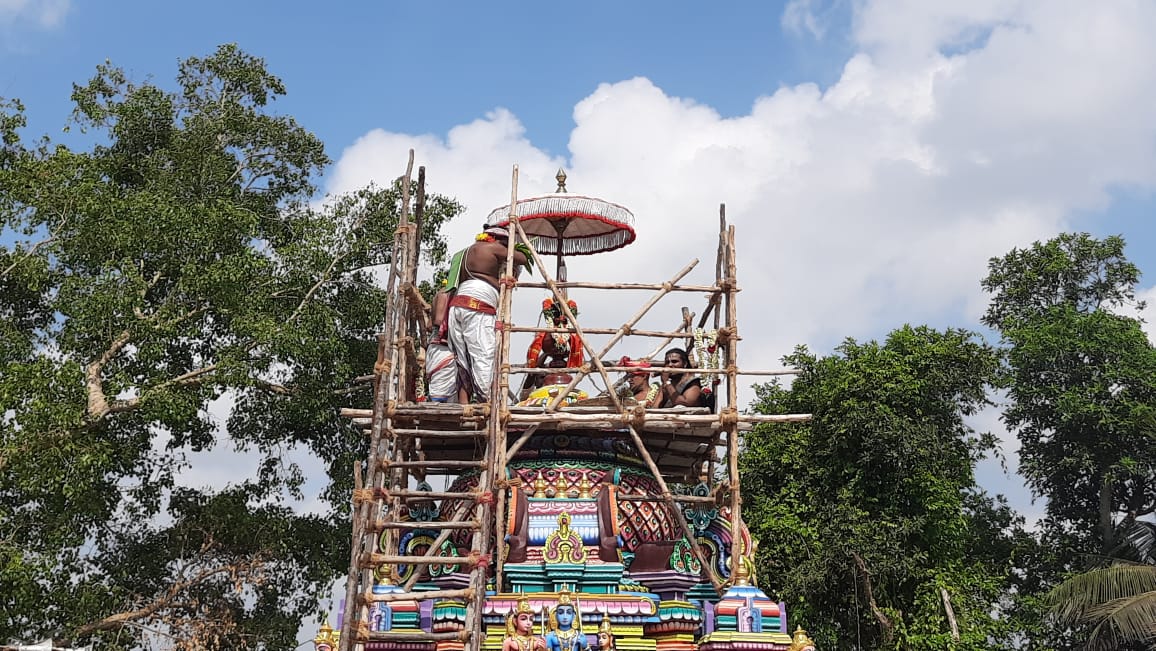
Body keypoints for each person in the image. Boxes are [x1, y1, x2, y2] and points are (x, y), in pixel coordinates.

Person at [447, 225, 528, 402]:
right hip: (477, 307)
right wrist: (511, 247)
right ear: (497, 239)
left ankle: (464, 405)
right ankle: (488, 402)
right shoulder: (493, 248)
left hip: (457, 306)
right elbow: (522, 258)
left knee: (463, 360)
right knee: (484, 355)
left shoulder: (463, 254)